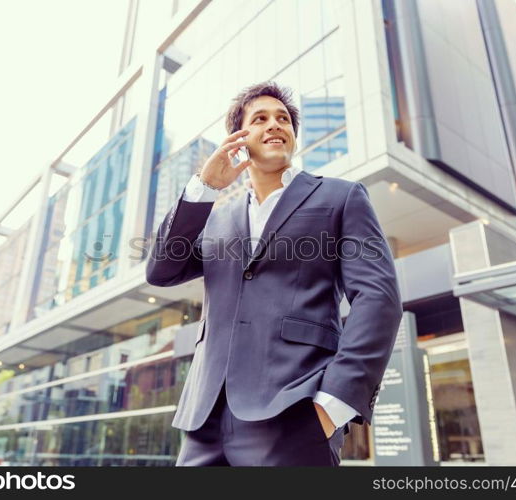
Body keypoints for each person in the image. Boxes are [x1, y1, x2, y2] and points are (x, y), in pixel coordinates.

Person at [146, 81, 402, 466]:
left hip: (295, 413)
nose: (275, 125)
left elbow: (378, 298)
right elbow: (161, 270)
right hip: (204, 419)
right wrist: (205, 186)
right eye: (260, 118)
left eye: (283, 119)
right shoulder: (216, 219)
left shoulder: (339, 197)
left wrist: (333, 405)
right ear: (239, 137)